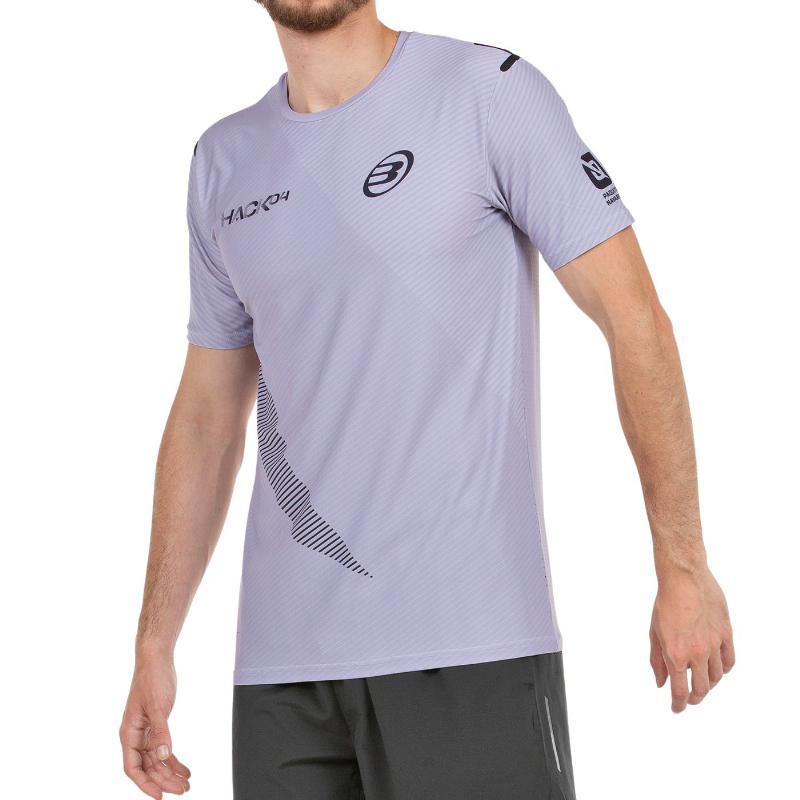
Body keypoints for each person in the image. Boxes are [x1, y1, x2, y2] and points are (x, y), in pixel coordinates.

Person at [119, 2, 736, 797]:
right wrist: (155, 643)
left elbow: (635, 320)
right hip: (283, 677)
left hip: (470, 648)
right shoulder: (223, 160)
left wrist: (683, 566)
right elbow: (206, 419)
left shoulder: (487, 93)